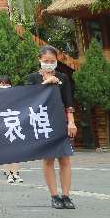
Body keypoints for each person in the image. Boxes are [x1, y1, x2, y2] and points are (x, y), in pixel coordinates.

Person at [26, 45, 77, 209]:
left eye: (52, 61)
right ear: (39, 60)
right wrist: (45, 83)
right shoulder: (32, 78)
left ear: (57, 61)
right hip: (43, 123)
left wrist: (71, 121)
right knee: (48, 159)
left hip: (61, 121)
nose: (49, 64)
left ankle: (66, 196)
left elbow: (69, 102)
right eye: (46, 61)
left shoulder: (63, 77)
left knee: (65, 158)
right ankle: (54, 196)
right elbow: (29, 100)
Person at [0, 76, 23, 184]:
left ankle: (16, 173)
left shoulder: (15, 95)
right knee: (6, 151)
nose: (5, 86)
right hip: (2, 126)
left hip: (14, 124)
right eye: (2, 84)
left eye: (7, 83)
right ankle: (9, 174)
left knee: (16, 151)